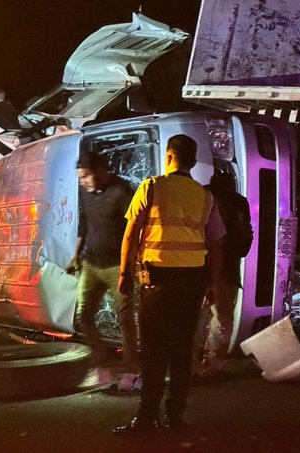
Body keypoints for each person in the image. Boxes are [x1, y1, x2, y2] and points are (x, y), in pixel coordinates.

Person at [113, 134, 225, 433]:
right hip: (192, 284)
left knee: (153, 351)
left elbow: (131, 233)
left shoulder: (152, 186)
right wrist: (212, 284)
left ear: (169, 156)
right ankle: (175, 417)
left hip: (158, 283)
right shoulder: (205, 196)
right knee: (181, 351)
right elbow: (216, 243)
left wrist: (124, 273)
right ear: (192, 160)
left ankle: (147, 418)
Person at [66, 151, 140, 386]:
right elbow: (84, 223)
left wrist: (129, 267)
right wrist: (75, 254)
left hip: (117, 266)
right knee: (83, 315)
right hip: (91, 263)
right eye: (80, 178)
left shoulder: (121, 193)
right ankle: (103, 359)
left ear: (100, 171)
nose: (83, 182)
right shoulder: (85, 193)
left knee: (126, 318)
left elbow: (134, 229)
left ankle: (131, 366)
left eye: (86, 176)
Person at [196, 172, 253, 378]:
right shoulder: (239, 202)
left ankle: (188, 363)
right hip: (227, 267)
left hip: (198, 266)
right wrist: (237, 251)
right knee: (222, 317)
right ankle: (212, 365)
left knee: (196, 317)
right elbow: (245, 236)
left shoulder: (200, 197)